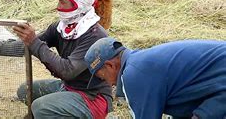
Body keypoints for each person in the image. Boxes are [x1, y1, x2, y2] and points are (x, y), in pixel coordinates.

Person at [12, 0, 112, 118]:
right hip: (68, 87)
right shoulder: (61, 27)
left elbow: (67, 71)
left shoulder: (94, 36)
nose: (57, 7)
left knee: (40, 107)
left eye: (62, 2)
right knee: (25, 91)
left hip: (92, 97)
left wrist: (34, 42)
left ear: (77, 5)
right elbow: (31, 44)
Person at [84, 37, 226, 119]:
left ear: (110, 66)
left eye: (101, 77)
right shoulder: (142, 63)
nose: (109, 84)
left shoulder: (133, 75)